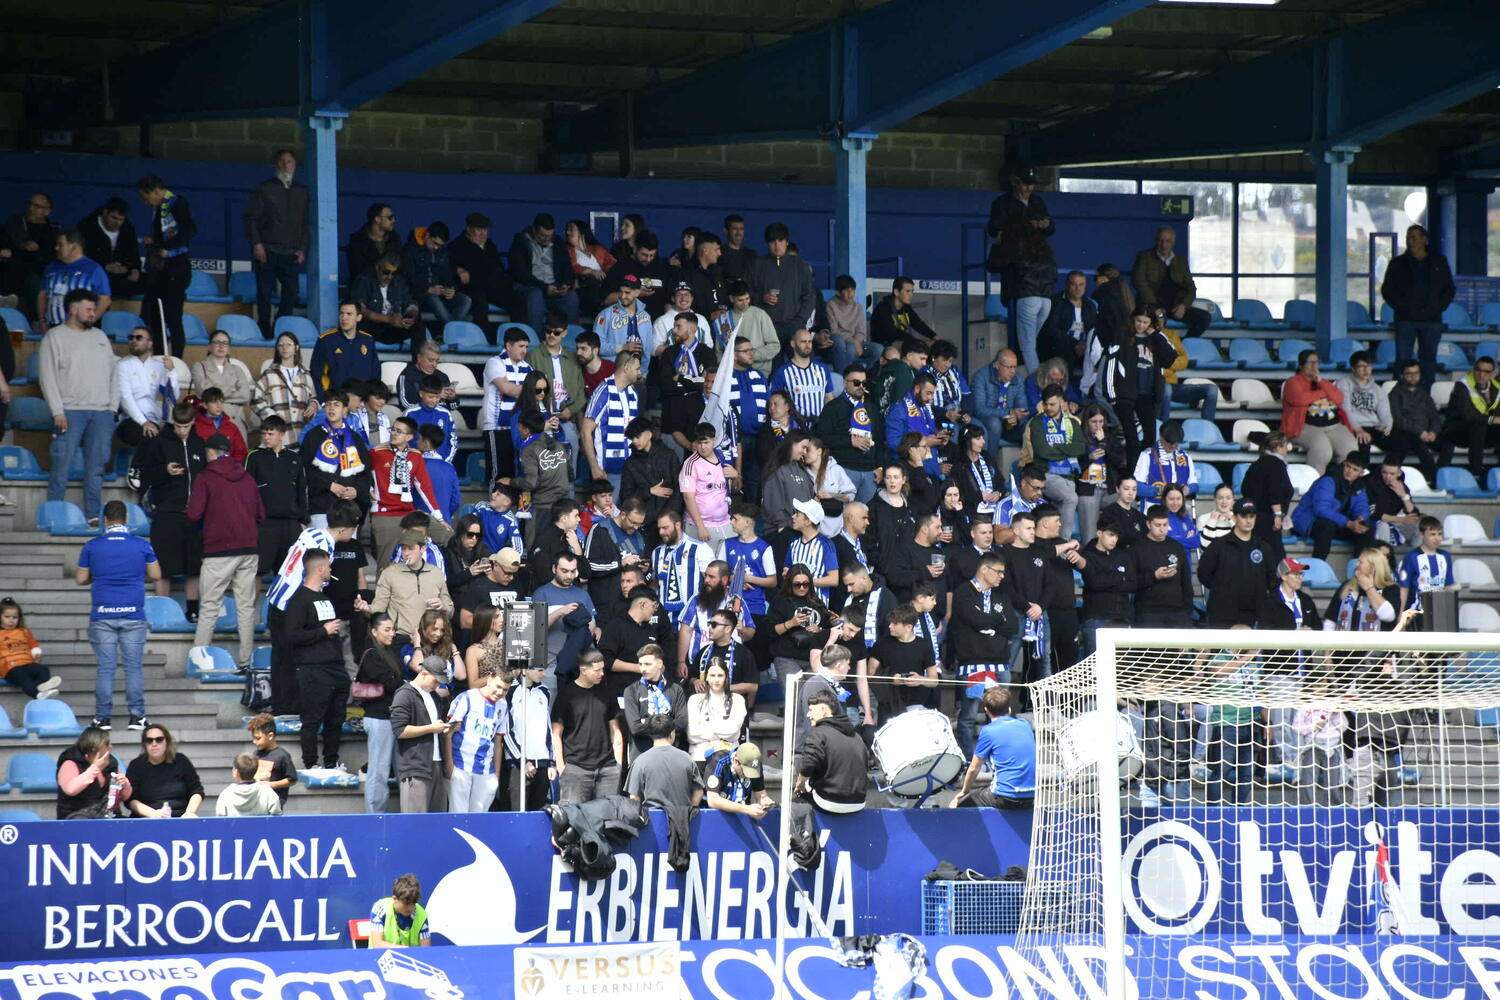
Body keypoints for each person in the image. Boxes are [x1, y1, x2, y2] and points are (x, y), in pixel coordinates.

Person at [76, 501, 160, 731]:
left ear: (105, 519)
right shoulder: (140, 545)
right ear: (125, 519)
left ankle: (102, 718)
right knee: (133, 667)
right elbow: (156, 574)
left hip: (102, 614)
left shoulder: (92, 546)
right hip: (133, 614)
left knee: (106, 668)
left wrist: (100, 576)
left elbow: (81, 578)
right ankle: (137, 717)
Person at [187, 434, 265, 666]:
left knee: (210, 606)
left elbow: (193, 514)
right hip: (249, 548)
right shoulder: (247, 477)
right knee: (246, 607)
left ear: (211, 452)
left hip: (218, 551)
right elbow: (261, 514)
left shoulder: (206, 477)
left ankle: (198, 660)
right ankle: (245, 661)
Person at [38, 289, 115, 523]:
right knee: (61, 465)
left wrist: (112, 408)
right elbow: (47, 376)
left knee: (96, 468)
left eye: (94, 309)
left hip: (102, 413)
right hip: (69, 411)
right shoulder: (54, 336)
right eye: (89, 309)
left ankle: (93, 515)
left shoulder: (101, 337)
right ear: (73, 309)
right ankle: (54, 515)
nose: (93, 313)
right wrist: (57, 410)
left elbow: (114, 375)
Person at [283, 548, 351, 769]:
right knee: (312, 720)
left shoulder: (324, 597)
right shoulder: (298, 600)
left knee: (336, 719)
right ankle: (310, 764)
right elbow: (291, 636)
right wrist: (323, 631)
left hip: (335, 667)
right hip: (312, 668)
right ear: (320, 569)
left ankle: (331, 762)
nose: (331, 570)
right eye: (329, 566)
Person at [1090, 306, 1177, 467]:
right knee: (1131, 438)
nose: (1141, 325)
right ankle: (1130, 474)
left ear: (1151, 323)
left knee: (1150, 437)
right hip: (1125, 395)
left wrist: (1155, 334)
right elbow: (1110, 367)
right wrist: (1112, 397)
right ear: (1133, 319)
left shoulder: (1156, 338)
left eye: (1145, 322)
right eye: (1138, 320)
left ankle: (1140, 468)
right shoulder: (1122, 337)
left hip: (1148, 395)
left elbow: (1171, 358)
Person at [244, 148, 308, 337]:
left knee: (291, 292)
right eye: (282, 161)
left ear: (295, 165)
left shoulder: (302, 191)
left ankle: (281, 327)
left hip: (291, 251)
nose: (285, 165)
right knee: (264, 292)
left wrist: (302, 248)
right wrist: (257, 243)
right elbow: (251, 218)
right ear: (276, 165)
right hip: (268, 249)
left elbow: (306, 222)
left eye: (289, 162)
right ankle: (264, 329)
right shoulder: (265, 188)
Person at [1381, 224, 1455, 386]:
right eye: (1408, 238)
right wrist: (1403, 307)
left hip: (1432, 319)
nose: (1410, 241)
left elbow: (1449, 289)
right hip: (1405, 319)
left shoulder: (1439, 261)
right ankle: (1400, 398)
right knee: (1403, 360)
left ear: (1424, 240)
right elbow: (1387, 290)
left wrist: (1437, 307)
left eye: (1414, 237)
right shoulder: (1397, 263)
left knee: (1429, 361)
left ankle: (1425, 399)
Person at [986, 165, 1054, 340]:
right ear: (1016, 183)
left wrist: (1044, 225)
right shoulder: (1002, 202)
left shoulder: (1037, 201)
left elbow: (1051, 226)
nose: (1029, 189)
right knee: (1015, 307)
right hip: (1015, 264)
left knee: (1034, 320)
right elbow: (993, 228)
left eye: (1031, 185)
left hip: (1036, 263)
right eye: (1025, 184)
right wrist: (1024, 225)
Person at [552, 650, 624, 805]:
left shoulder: (607, 692)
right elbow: (556, 732)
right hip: (575, 768)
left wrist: (618, 764)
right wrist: (561, 766)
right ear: (583, 670)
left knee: (607, 821)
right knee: (574, 819)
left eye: (603, 669)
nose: (602, 674)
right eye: (597, 670)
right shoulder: (566, 695)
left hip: (608, 768)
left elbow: (615, 730)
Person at [135, 176, 194, 356]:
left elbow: (190, 230)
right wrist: (154, 240)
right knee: (155, 316)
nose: (145, 202)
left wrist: (167, 250)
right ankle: (160, 356)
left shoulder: (176, 203)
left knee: (173, 317)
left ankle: (176, 360)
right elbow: (164, 235)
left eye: (146, 197)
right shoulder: (160, 208)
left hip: (176, 268)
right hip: (161, 270)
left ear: (155, 191)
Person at [951, 687, 1035, 809]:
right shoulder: (1025, 724)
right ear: (1009, 709)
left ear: (986, 710)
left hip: (1005, 796)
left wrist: (963, 792)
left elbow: (974, 769)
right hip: (1032, 795)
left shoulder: (988, 731)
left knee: (961, 804)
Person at [1197, 499, 1277, 627]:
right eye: (1244, 516)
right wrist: (1223, 590)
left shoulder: (1263, 547)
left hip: (1254, 616)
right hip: (1222, 615)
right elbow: (1203, 574)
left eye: (1252, 516)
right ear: (1234, 517)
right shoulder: (1219, 546)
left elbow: (1271, 579)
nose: (1249, 520)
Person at [391, 654, 454, 813]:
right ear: (424, 673)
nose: (437, 684)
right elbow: (400, 730)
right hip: (415, 766)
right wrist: (431, 728)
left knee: (436, 822)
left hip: (436, 764)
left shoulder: (433, 696)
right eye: (436, 680)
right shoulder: (404, 694)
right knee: (415, 824)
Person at [1282, 349, 1360, 475]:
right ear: (1301, 365)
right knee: (1322, 450)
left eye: (1316, 362)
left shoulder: (1323, 382)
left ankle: (1341, 485)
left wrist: (1321, 382)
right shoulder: (1293, 382)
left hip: (1332, 426)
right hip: (1304, 427)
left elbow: (1338, 399)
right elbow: (1299, 399)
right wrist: (1323, 393)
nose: (1314, 366)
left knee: (1350, 450)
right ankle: (1316, 485)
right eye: (1310, 363)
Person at [356, 613, 404, 813]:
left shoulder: (390, 652)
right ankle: (375, 816)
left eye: (393, 629)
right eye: (387, 629)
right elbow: (391, 683)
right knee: (379, 770)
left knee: (398, 769)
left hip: (393, 717)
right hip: (378, 717)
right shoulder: (371, 654)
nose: (392, 633)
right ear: (374, 632)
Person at [446, 664, 510, 813]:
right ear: (489, 679)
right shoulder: (467, 698)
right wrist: (450, 768)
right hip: (461, 765)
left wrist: (497, 775)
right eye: (498, 686)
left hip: (486, 771)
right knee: (458, 817)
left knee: (479, 819)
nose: (500, 692)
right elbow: (448, 733)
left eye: (505, 689)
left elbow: (498, 741)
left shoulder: (503, 706)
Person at [795, 689, 868, 814]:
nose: (808, 715)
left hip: (829, 801)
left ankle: (806, 833)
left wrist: (800, 784)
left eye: (811, 710)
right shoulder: (857, 736)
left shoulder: (818, 733)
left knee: (794, 801)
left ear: (823, 710)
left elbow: (807, 765)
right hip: (859, 802)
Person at [1131, 226, 1210, 339]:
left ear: (1173, 242)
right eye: (1161, 240)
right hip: (1151, 305)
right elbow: (1139, 283)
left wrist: (1184, 305)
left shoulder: (1181, 261)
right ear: (1156, 240)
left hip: (1174, 306)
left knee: (1204, 318)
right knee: (1159, 319)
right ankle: (1158, 351)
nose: (1164, 245)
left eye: (1167, 241)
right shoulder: (1145, 257)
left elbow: (1191, 288)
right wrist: (1155, 306)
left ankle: (1182, 346)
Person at [1025, 385, 1084, 534]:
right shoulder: (1037, 422)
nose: (1048, 407)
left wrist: (1056, 447)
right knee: (1071, 498)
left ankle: (1053, 544)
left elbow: (1080, 449)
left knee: (1062, 506)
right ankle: (1064, 542)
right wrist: (1066, 449)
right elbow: (1042, 451)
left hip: (1069, 476)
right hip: (1046, 475)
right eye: (1046, 404)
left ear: (1063, 403)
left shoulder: (1073, 423)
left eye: (1053, 404)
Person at [1292, 453, 1372, 562]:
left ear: (1361, 473)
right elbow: (1321, 509)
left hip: (1338, 523)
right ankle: (1319, 565)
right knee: (1326, 525)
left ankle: (1359, 567)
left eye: (1355, 469)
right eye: (1348, 466)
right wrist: (1348, 523)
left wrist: (1360, 518)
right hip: (1309, 522)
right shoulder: (1329, 480)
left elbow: (1362, 506)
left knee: (1366, 529)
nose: (1349, 471)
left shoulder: (1359, 485)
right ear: (1344, 464)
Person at [748, 221, 817, 343]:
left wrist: (800, 320)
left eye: (780, 240)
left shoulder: (800, 265)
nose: (777, 245)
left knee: (799, 361)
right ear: (767, 244)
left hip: (795, 325)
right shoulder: (757, 265)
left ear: (787, 242)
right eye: (772, 241)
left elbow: (810, 296)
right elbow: (748, 292)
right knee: (772, 362)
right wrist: (761, 298)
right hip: (767, 325)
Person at [449, 212, 513, 341]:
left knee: (517, 299)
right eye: (479, 229)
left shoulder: (490, 246)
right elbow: (447, 265)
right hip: (472, 288)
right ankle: (485, 339)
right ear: (468, 229)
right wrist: (457, 269)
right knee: (479, 299)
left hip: (492, 287)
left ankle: (516, 338)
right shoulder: (457, 245)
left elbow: (499, 270)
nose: (483, 233)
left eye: (485, 230)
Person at [1075, 522, 1134, 657]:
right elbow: (1094, 583)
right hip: (1095, 617)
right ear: (1099, 533)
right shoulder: (1088, 554)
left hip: (1121, 617)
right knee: (1094, 667)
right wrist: (1120, 577)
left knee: (1121, 668)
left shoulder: (1122, 555)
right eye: (1111, 535)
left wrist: (1106, 579)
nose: (1114, 539)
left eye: (1116, 536)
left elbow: (1132, 584)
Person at [508, 213, 578, 327]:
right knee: (536, 295)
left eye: (549, 235)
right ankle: (536, 340)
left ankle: (570, 339)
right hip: (530, 288)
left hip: (554, 290)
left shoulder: (558, 242)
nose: (546, 239)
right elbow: (520, 273)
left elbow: (567, 268)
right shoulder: (521, 242)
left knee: (571, 297)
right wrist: (544, 288)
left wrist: (566, 284)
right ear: (534, 230)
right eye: (542, 235)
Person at [1386, 360, 1451, 482]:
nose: (1413, 376)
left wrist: (1433, 432)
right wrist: (1420, 432)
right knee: (1419, 445)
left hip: (1427, 434)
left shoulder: (1424, 394)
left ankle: (1442, 478)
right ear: (1401, 375)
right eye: (1409, 373)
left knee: (1448, 444)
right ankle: (1432, 479)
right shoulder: (1394, 394)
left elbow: (1435, 417)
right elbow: (1398, 420)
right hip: (1407, 434)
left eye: (1416, 373)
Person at [501, 662, 554, 810]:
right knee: (517, 812)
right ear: (527, 669)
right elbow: (506, 730)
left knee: (538, 812)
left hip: (542, 762)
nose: (543, 674)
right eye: (540, 669)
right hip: (519, 764)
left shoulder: (544, 691)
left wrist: (551, 762)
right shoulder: (510, 691)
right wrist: (522, 760)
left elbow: (547, 728)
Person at [1131, 505, 1193, 628]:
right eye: (1158, 525)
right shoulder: (1136, 548)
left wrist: (1187, 610)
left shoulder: (1176, 547)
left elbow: (1186, 581)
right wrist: (1154, 576)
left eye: (1165, 525)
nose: (1162, 529)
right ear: (1148, 524)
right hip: (1148, 613)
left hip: (1177, 612)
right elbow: (1130, 582)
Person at [125, 723, 204, 818]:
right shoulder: (136, 765)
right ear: (144, 744)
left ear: (167, 741)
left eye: (159, 739)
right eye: (149, 740)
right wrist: (154, 814)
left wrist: (189, 813)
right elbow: (131, 800)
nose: (154, 744)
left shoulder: (181, 761)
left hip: (180, 818)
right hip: (146, 820)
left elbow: (196, 791)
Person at [627, 714, 704, 810]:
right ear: (672, 733)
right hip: (683, 820)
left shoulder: (640, 761)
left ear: (650, 735)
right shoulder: (687, 759)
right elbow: (699, 791)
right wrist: (689, 812)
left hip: (652, 821)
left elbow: (634, 797)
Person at [38, 228, 111, 328]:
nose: (56, 248)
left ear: (73, 246)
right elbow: (43, 295)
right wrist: (42, 320)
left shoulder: (93, 269)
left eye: (60, 244)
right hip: (53, 327)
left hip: (81, 329)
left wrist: (90, 321)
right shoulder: (51, 268)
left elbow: (105, 299)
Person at [404, 221, 471, 329]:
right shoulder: (411, 250)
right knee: (434, 299)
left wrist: (451, 289)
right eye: (435, 243)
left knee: (465, 300)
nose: (436, 248)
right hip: (420, 295)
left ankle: (446, 334)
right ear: (427, 236)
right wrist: (428, 289)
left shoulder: (442, 252)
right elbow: (408, 278)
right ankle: (451, 335)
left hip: (440, 294)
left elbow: (448, 275)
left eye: (440, 245)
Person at [310, 301, 381, 400]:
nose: (344, 318)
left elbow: (375, 373)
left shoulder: (368, 340)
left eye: (349, 314)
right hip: (336, 401)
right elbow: (317, 374)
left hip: (362, 402)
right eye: (341, 314)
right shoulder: (325, 340)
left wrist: (368, 398)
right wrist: (325, 398)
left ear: (359, 317)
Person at [253, 333, 320, 439]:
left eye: (288, 344)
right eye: (280, 345)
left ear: (296, 347)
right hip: (276, 434)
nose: (284, 348)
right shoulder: (269, 374)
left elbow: (313, 397)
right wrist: (272, 417)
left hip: (301, 433)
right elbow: (255, 400)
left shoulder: (306, 375)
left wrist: (313, 405)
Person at [56, 726, 131, 819]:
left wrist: (125, 784)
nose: (110, 747)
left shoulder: (111, 763)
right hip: (76, 816)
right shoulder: (70, 763)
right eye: (107, 744)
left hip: (107, 816)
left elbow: (124, 797)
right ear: (95, 747)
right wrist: (94, 769)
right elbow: (70, 789)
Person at [1445, 355, 1500, 480]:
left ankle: (1496, 472)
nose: (1481, 374)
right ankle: (1476, 471)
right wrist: (1492, 419)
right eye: (1478, 370)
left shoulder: (1497, 388)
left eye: (1486, 372)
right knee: (1478, 425)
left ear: (1492, 373)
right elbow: (1468, 416)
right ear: (1473, 369)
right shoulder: (1462, 386)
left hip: (1484, 432)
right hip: (1457, 432)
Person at [350, 253, 421, 350]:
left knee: (419, 325)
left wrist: (410, 316)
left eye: (393, 273)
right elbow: (361, 310)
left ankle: (418, 361)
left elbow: (410, 302)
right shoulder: (364, 280)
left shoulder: (398, 281)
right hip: (372, 327)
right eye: (386, 272)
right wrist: (389, 319)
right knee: (361, 324)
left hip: (393, 327)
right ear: (377, 267)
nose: (390, 277)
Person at [1240, 432, 1293, 557]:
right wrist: (1278, 515)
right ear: (1277, 447)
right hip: (1269, 520)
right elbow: (1275, 491)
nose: (1287, 449)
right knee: (1276, 559)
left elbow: (1244, 489)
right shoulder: (1276, 464)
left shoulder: (1256, 464)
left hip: (1253, 517)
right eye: (1285, 445)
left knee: (1256, 557)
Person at [78, 197, 143, 298]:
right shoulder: (86, 227)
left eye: (121, 220)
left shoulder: (128, 229)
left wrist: (135, 269)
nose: (117, 223)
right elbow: (81, 255)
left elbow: (133, 253)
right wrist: (105, 266)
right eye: (114, 218)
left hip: (121, 276)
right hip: (94, 274)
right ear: (105, 212)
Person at [1335, 351, 1393, 464]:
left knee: (1402, 442)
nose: (1366, 370)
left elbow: (1385, 413)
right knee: (1364, 445)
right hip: (1352, 426)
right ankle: (1362, 477)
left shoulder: (1377, 388)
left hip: (1374, 427)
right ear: (1353, 368)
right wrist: (1358, 429)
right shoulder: (1344, 383)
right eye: (1362, 366)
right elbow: (1345, 409)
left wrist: (1386, 427)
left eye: (1369, 366)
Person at [1327, 547, 1402, 632]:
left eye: (1360, 562)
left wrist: (1369, 588)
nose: (1356, 565)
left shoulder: (1391, 588)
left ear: (1373, 568)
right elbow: (1330, 620)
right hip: (1345, 643)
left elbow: (1388, 616)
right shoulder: (1347, 586)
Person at [1037, 270, 1095, 377]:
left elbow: (1094, 330)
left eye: (1081, 284)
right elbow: (1051, 329)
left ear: (1085, 286)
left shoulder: (1090, 305)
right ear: (1067, 285)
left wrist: (1085, 345)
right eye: (1074, 284)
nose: (1078, 289)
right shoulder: (1056, 302)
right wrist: (1074, 344)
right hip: (1062, 349)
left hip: (1084, 349)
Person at [969, 349, 1028, 448]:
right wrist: (1009, 413)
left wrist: (1017, 417)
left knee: (1032, 426)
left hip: (1010, 425)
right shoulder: (981, 377)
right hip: (987, 422)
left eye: (1015, 367)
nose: (1013, 371)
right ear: (997, 365)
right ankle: (990, 461)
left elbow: (1023, 408)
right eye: (1009, 367)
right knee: (994, 423)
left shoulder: (1018, 378)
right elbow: (979, 410)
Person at [0, 599, 58, 700]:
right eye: (7, 617)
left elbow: (33, 644)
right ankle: (37, 694)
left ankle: (43, 688)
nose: (11, 620)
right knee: (23, 677)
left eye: (15, 617)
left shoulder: (24, 632)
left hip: (27, 663)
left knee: (43, 670)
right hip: (9, 667)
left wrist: (36, 654)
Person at [1397, 515, 1456, 611]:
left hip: (1439, 610)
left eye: (1439, 534)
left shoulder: (1445, 557)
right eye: (1432, 534)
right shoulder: (1412, 557)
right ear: (1421, 535)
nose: (1437, 538)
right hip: (1416, 611)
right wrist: (1400, 614)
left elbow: (1448, 586)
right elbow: (1404, 588)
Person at [347, 203, 403, 297]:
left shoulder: (395, 239)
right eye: (390, 217)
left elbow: (400, 266)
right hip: (366, 290)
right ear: (377, 219)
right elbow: (356, 269)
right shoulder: (357, 240)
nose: (394, 220)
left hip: (392, 289)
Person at [1256, 557, 1324, 630]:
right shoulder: (1269, 602)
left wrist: (1311, 630)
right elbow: (1266, 631)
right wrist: (1294, 635)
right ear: (1284, 576)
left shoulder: (1306, 600)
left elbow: (1318, 626)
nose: (1300, 578)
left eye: (1301, 574)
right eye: (1296, 574)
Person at [705, 743, 773, 817]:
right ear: (736, 761)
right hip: (715, 816)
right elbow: (713, 800)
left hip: (742, 815)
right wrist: (747, 809)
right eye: (747, 771)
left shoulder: (755, 766)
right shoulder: (718, 762)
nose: (749, 776)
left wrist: (765, 801)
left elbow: (760, 795)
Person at [247, 712, 298, 807]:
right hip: (256, 801)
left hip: (274, 803)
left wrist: (272, 784)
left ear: (270, 736)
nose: (254, 742)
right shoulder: (256, 754)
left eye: (258, 738)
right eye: (253, 738)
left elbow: (292, 779)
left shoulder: (282, 755)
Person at [369, 875, 430, 948]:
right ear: (395, 898)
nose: (411, 908)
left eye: (413, 903)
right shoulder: (380, 908)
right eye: (406, 903)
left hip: (411, 958)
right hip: (380, 958)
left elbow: (426, 949)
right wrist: (405, 950)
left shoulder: (421, 914)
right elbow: (377, 944)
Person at [216, 753, 284, 816]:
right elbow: (277, 815)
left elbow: (220, 818)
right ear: (256, 771)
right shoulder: (267, 792)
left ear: (236, 772)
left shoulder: (226, 794)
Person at [1196, 484, 1237, 550]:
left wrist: (1232, 521)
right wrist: (1211, 521)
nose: (1224, 501)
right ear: (1214, 499)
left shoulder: (1239, 518)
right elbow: (1204, 547)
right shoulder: (1203, 519)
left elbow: (1241, 545)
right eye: (1220, 498)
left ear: (1233, 500)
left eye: (1228, 498)